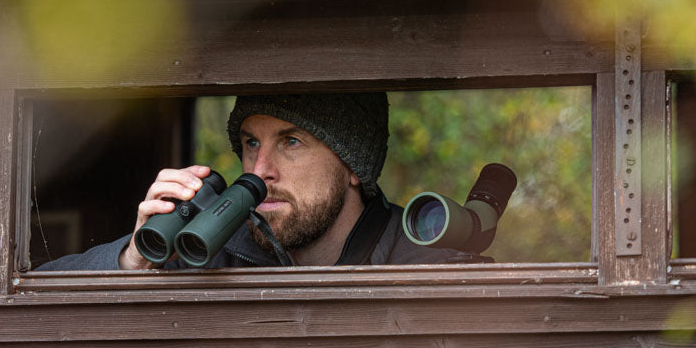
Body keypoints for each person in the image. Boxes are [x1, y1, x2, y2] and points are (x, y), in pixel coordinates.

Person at [38, 92, 476, 269]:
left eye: (291, 142)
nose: (259, 169)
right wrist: (129, 262)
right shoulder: (203, 250)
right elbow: (30, 299)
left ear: (353, 167)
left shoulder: (423, 266)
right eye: (251, 142)